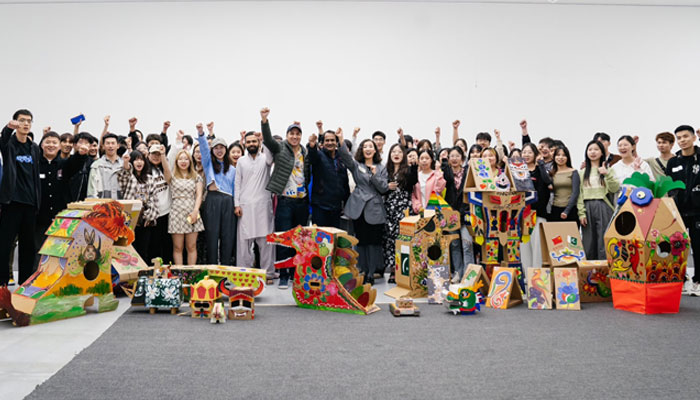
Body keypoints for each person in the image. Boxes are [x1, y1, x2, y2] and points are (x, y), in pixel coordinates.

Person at [260, 108, 310, 289]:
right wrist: (264, 120)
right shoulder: (280, 148)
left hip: (302, 202)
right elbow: (267, 139)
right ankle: (283, 274)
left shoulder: (305, 152)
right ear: (287, 135)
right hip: (285, 202)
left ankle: (297, 274)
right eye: (292, 133)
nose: (294, 137)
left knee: (300, 241)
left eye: (297, 134)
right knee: (283, 239)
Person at [337, 128, 388, 285]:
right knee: (360, 241)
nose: (368, 149)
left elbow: (384, 188)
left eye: (370, 146)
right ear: (361, 150)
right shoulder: (356, 165)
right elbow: (345, 156)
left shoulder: (381, 167)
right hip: (358, 208)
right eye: (365, 146)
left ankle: (371, 273)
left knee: (373, 242)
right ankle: (362, 270)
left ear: (375, 150)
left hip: (375, 209)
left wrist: (374, 175)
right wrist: (340, 140)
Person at [0, 110, 42, 286]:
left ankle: (25, 283)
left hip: (30, 204)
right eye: (22, 120)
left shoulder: (33, 148)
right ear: (16, 122)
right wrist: (8, 128)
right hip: (12, 203)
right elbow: (2, 139)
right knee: (4, 245)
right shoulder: (10, 145)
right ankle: (1, 283)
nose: (26, 124)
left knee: (28, 247)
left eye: (29, 121)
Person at [34, 131, 88, 267]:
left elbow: (75, 164)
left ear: (59, 147)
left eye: (54, 142)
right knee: (38, 252)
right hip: (39, 218)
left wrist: (81, 154)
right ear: (41, 145)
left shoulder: (64, 164)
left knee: (61, 253)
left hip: (60, 218)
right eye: (48, 142)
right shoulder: (35, 164)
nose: (51, 145)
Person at [234, 132, 275, 281]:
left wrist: (264, 140)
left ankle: (268, 273)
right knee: (244, 242)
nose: (251, 144)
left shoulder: (265, 159)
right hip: (245, 206)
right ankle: (243, 273)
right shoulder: (241, 161)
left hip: (263, 205)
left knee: (266, 242)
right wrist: (236, 204)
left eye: (254, 141)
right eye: (249, 141)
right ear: (244, 144)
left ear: (258, 143)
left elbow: (271, 158)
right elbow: (237, 183)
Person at [666, 125, 700, 296]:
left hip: (697, 211)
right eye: (679, 138)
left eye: (686, 136)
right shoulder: (673, 162)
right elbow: (669, 184)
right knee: (677, 248)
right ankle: (681, 279)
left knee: (699, 246)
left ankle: (698, 281)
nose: (682, 140)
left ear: (694, 138)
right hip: (678, 212)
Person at [197, 123, 236, 266]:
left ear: (226, 149)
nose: (219, 151)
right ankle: (213, 268)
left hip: (228, 201)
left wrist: (236, 205)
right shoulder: (209, 164)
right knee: (212, 236)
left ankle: (225, 268)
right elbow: (204, 150)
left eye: (222, 148)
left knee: (227, 236)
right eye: (216, 148)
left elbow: (235, 189)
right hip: (213, 200)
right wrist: (201, 133)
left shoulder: (232, 169)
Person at [383, 131, 418, 283]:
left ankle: (402, 270)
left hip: (403, 209)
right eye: (393, 152)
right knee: (389, 241)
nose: (396, 154)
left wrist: (414, 167)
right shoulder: (386, 170)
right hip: (388, 209)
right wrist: (386, 186)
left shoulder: (408, 170)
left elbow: (412, 181)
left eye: (399, 152)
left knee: (402, 240)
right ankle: (392, 270)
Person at [576, 140, 619, 260]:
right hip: (587, 206)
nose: (593, 152)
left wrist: (606, 174)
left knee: (603, 240)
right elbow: (579, 194)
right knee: (588, 242)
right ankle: (589, 274)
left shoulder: (608, 170)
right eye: (590, 150)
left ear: (602, 152)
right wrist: (581, 213)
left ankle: (605, 273)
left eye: (596, 149)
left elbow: (614, 188)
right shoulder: (582, 173)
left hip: (603, 205)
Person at [118, 151, 159, 260]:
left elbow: (154, 199)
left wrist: (149, 216)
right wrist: (126, 162)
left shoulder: (150, 179)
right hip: (129, 218)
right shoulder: (129, 177)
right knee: (130, 249)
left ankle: (142, 275)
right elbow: (124, 174)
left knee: (143, 250)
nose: (139, 162)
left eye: (141, 159)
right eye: (136, 159)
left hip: (145, 219)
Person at [307, 121, 349, 228]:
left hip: (336, 208)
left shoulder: (341, 158)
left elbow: (345, 182)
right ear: (323, 142)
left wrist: (346, 201)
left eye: (332, 140)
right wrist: (312, 146)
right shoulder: (319, 156)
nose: (330, 142)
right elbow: (312, 157)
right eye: (327, 140)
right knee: (321, 240)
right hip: (320, 206)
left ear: (336, 142)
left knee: (334, 240)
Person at [441, 146, 473, 282]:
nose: (454, 159)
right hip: (450, 213)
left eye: (457, 156)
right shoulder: (445, 172)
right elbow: (445, 184)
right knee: (454, 244)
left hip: (465, 213)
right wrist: (443, 162)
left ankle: (468, 274)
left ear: (462, 158)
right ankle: (458, 273)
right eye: (451, 156)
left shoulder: (468, 172)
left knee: (467, 244)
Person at [167, 149, 204, 265]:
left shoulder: (196, 177)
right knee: (178, 247)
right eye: (180, 159)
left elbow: (199, 195)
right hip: (176, 213)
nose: (183, 161)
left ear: (190, 161)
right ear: (176, 161)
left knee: (191, 246)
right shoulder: (171, 176)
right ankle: (179, 274)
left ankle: (191, 274)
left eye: (186, 159)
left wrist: (195, 211)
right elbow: (165, 164)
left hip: (192, 212)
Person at [519, 143, 552, 269]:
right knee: (524, 248)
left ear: (535, 155)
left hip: (537, 214)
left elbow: (546, 187)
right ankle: (527, 280)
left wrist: (541, 165)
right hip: (521, 215)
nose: (526, 155)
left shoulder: (539, 171)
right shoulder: (517, 172)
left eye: (529, 152)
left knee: (537, 247)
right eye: (524, 152)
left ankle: (537, 281)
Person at [147, 143, 173, 264]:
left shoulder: (165, 168)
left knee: (167, 244)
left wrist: (163, 156)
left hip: (167, 212)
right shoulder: (145, 170)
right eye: (153, 154)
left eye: (158, 154)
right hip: (153, 214)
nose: (156, 157)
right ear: (148, 155)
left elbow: (169, 178)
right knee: (154, 245)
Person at [548, 146, 580, 226]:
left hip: (570, 210)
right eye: (558, 155)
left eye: (564, 155)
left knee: (570, 237)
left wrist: (567, 210)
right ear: (554, 157)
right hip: (555, 209)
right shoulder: (551, 173)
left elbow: (575, 193)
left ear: (567, 157)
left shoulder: (573, 172)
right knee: (554, 237)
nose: (561, 157)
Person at [87, 133, 122, 199]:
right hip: (102, 206)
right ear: (103, 146)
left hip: (122, 206)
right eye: (108, 143)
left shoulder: (123, 165)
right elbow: (91, 192)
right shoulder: (96, 165)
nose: (110, 146)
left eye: (113, 143)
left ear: (118, 146)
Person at [412, 149, 446, 213]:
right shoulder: (416, 176)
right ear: (418, 161)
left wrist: (437, 171)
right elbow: (413, 195)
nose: (424, 160)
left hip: (434, 211)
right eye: (422, 158)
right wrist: (418, 207)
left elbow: (439, 190)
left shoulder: (437, 174)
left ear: (431, 160)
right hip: (420, 211)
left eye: (427, 158)